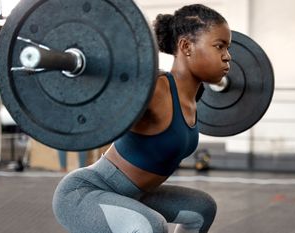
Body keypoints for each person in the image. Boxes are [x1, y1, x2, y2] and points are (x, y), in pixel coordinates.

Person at [52, 4, 231, 233]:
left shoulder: (194, 97)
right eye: (220, 47)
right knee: (150, 226)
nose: (228, 57)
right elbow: (102, 105)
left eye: (228, 48)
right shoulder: (154, 91)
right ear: (186, 46)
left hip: (136, 195)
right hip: (84, 193)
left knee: (202, 209)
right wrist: (78, 70)